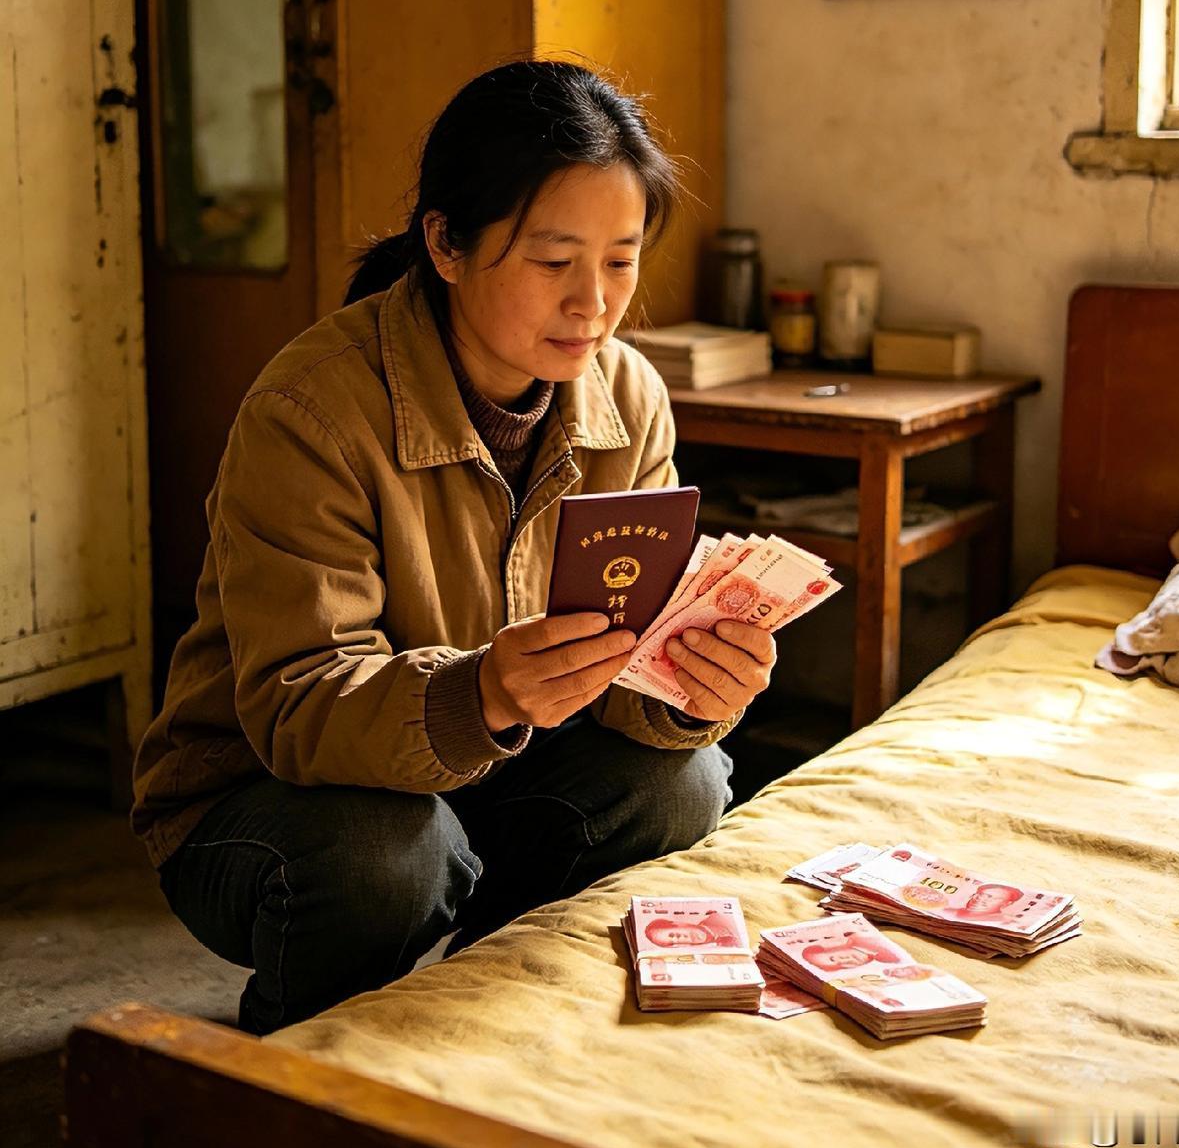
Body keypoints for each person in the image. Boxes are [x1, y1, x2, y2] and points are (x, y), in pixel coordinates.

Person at [131, 60, 778, 1035]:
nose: (593, 304)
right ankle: (286, 1057)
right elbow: (296, 708)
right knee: (389, 856)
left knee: (684, 781)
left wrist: (689, 685)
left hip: (492, 773)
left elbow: (624, 655)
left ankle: (480, 1010)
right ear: (444, 242)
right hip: (267, 795)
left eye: (620, 260)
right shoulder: (311, 409)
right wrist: (481, 692)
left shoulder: (629, 395)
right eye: (553, 261)